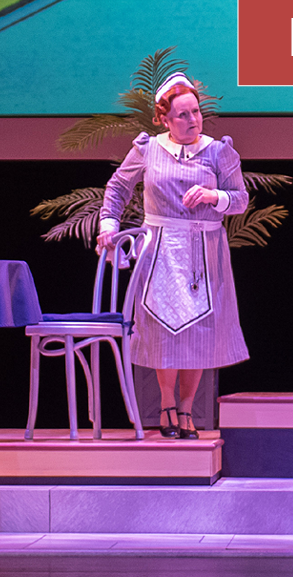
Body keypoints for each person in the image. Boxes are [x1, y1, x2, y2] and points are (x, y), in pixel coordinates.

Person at [96, 72, 250, 440]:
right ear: (164, 118)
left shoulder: (218, 151)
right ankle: (165, 404)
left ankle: (187, 409)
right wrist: (107, 223)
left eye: (195, 112)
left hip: (204, 252)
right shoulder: (148, 149)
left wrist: (215, 198)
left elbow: (240, 198)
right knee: (164, 329)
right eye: (182, 115)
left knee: (197, 333)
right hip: (160, 247)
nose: (192, 120)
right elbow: (118, 186)